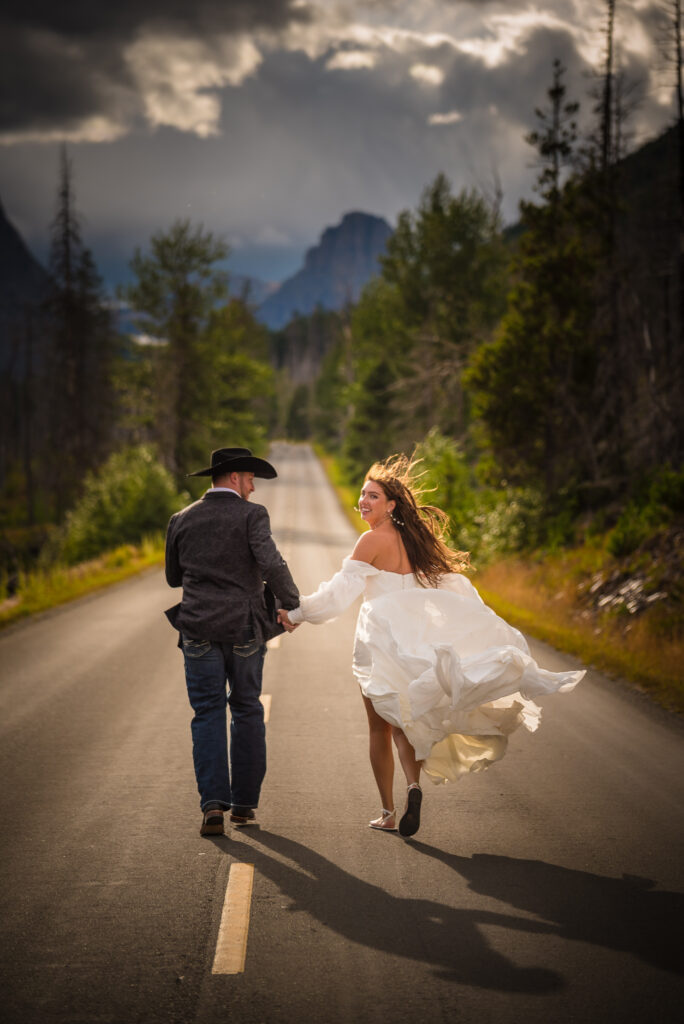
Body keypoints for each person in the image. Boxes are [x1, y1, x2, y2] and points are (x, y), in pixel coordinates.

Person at [278, 454, 583, 839]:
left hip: (382, 640)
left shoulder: (371, 540)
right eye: (362, 494)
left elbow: (338, 595)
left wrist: (297, 613)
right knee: (405, 720)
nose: (363, 501)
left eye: (373, 495)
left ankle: (388, 812)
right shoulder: (414, 540)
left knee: (379, 728)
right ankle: (413, 786)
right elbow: (443, 589)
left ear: (391, 505)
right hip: (415, 641)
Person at [165, 447, 299, 837]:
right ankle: (242, 806)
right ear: (234, 478)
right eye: (250, 479)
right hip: (243, 629)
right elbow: (271, 563)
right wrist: (292, 606)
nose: (254, 487)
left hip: (197, 629)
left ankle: (212, 807)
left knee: (206, 713)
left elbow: (174, 578)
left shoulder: (181, 519)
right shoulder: (251, 515)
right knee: (245, 710)